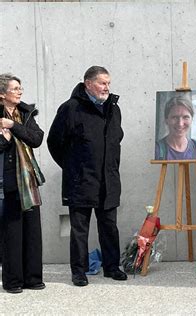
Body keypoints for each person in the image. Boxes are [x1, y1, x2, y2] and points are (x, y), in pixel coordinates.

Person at [47, 66, 127, 286]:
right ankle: (79, 272)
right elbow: (54, 142)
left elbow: (116, 141)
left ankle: (112, 267)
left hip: (108, 179)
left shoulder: (113, 108)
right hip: (81, 181)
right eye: (102, 83)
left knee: (109, 225)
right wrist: (73, 167)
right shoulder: (70, 109)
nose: (107, 88)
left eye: (108, 83)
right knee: (80, 229)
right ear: (88, 83)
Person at [0, 73, 45, 294]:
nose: (20, 91)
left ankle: (33, 278)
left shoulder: (25, 113)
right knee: (12, 232)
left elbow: (36, 139)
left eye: (20, 87)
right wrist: (4, 139)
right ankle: (13, 281)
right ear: (2, 94)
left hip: (28, 179)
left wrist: (13, 127)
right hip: (7, 180)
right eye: (15, 88)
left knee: (32, 230)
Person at [155, 95, 196, 160]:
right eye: (175, 117)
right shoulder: (157, 150)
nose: (180, 124)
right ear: (166, 120)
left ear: (192, 119)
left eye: (185, 117)